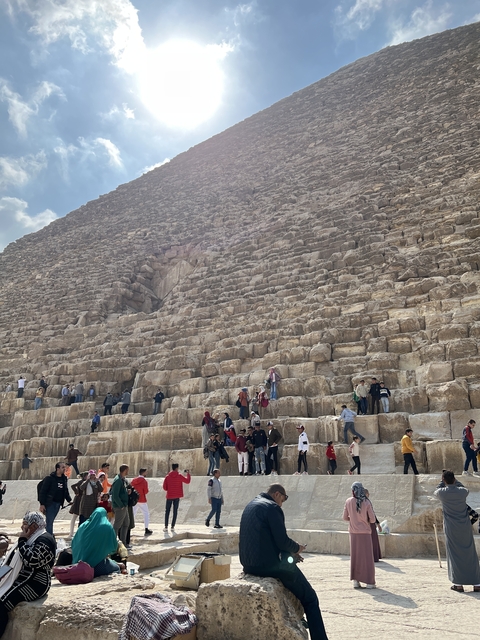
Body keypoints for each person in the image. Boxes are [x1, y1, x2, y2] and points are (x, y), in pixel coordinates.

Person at [239, 484, 329, 640]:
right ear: (277, 494)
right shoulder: (273, 508)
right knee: (310, 598)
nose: (283, 503)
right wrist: (297, 548)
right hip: (268, 566)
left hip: (248, 565)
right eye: (284, 498)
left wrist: (290, 555)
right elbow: (282, 541)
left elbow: (266, 540)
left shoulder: (251, 505)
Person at [0, 511, 56, 638]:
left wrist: (21, 541)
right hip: (22, 578)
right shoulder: (30, 539)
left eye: (25, 524)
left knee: (3, 601)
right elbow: (10, 563)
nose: (22, 527)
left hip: (37, 582)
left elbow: (32, 560)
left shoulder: (45, 539)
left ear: (34, 526)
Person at [434, 470, 480, 592]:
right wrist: (454, 481)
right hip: (465, 526)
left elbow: (437, 489)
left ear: (444, 480)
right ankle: (477, 583)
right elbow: (462, 487)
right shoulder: (462, 492)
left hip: (451, 527)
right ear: (454, 479)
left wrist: (442, 480)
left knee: (454, 554)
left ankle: (459, 584)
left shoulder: (441, 493)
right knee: (470, 553)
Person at [72, 507, 123, 577]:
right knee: (117, 568)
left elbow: (73, 543)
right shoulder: (107, 526)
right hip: (96, 567)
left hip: (77, 565)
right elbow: (113, 548)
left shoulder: (82, 526)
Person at [343, 481, 376, 589]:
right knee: (367, 558)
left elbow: (344, 517)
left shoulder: (348, 501)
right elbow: (372, 519)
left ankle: (356, 581)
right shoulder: (366, 502)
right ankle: (369, 582)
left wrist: (353, 519)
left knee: (355, 557)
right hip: (365, 533)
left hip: (353, 532)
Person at [38, 462, 72, 535]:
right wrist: (42, 504)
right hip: (50, 503)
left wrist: (69, 500)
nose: (64, 469)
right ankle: (49, 537)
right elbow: (43, 492)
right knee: (49, 521)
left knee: (51, 521)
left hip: (58, 503)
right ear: (58, 468)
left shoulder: (64, 479)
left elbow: (65, 490)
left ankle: (46, 535)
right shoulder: (49, 479)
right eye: (62, 467)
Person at [163, 464, 191, 532]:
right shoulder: (179, 476)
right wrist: (188, 474)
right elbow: (187, 481)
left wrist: (169, 490)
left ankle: (166, 526)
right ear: (177, 468)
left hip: (169, 496)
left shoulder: (167, 477)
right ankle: (172, 526)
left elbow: (164, 487)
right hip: (177, 496)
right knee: (175, 511)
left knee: (167, 511)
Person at [110, 464, 130, 545]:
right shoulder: (118, 480)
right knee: (117, 526)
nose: (128, 472)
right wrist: (121, 505)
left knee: (126, 524)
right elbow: (115, 495)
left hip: (123, 505)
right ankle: (113, 543)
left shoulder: (122, 479)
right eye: (127, 470)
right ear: (125, 470)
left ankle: (123, 543)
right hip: (120, 506)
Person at [131, 468, 152, 536]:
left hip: (134, 500)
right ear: (143, 473)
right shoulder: (144, 481)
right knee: (146, 514)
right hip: (142, 499)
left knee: (132, 514)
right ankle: (146, 528)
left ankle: (129, 528)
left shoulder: (134, 480)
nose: (146, 473)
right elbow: (145, 491)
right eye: (145, 472)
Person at [68, 472, 88, 539]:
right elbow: (73, 486)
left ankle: (72, 533)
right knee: (74, 517)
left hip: (82, 500)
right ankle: (71, 533)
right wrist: (77, 492)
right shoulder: (81, 482)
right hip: (79, 501)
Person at [364, 489, 382, 562]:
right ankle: (373, 557)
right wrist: (377, 524)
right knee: (372, 540)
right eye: (368, 493)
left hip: (364, 524)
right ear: (366, 494)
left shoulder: (359, 502)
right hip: (370, 523)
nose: (369, 495)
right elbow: (372, 514)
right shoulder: (367, 502)